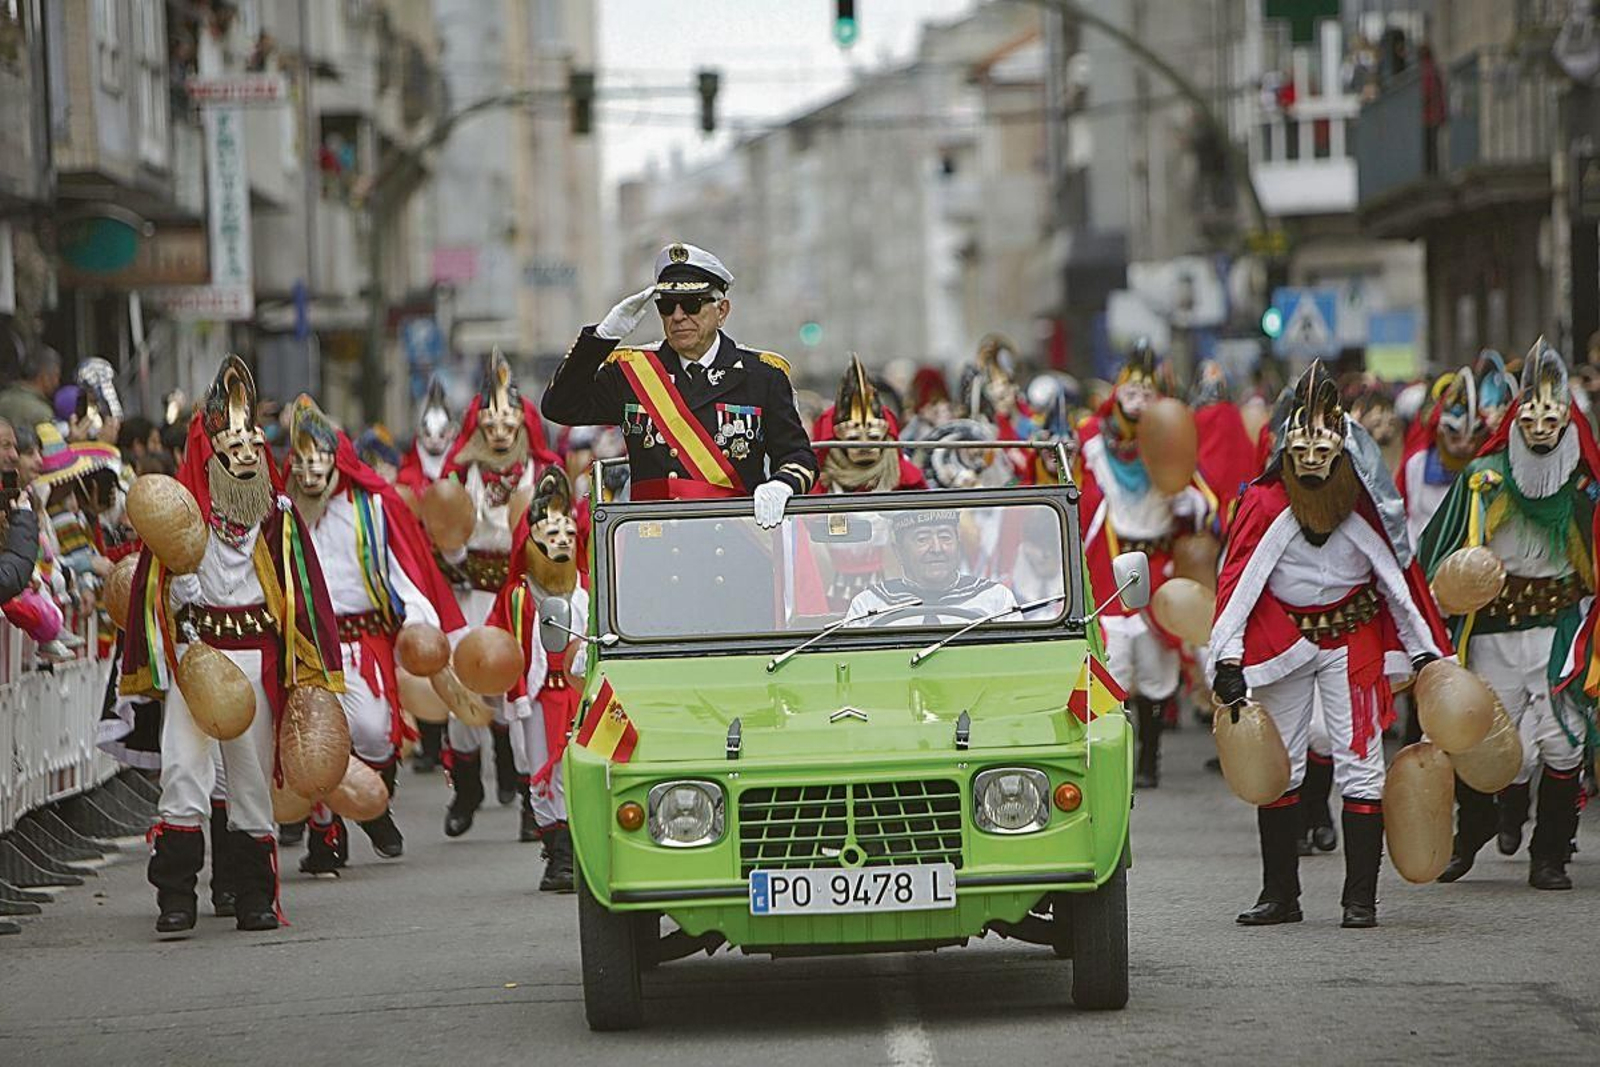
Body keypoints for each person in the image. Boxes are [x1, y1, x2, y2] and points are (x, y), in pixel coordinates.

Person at [1210, 362, 1450, 929]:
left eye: (1324, 444)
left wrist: (1423, 652)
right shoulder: (1264, 505)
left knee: (1361, 766)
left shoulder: (1364, 505)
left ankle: (1360, 900)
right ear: (1286, 446)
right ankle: (1280, 895)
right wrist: (1227, 658)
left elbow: (1398, 581)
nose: (1313, 456)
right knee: (1281, 767)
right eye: (1302, 444)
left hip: (1354, 643)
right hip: (1286, 643)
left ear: (1342, 445)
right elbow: (1237, 583)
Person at [120, 355, 344, 936]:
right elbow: (148, 594)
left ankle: (255, 897)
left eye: (252, 441)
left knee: (248, 784)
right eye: (233, 442)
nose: (246, 451)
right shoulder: (182, 516)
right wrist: (175, 594)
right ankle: (176, 896)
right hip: (196, 658)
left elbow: (306, 597)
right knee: (185, 776)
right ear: (210, 448)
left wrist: (312, 678)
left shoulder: (279, 518)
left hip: (255, 660)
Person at [1424, 340, 1596, 891]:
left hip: (1559, 629)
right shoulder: (1484, 478)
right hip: (1495, 628)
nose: (1542, 423)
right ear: (1516, 414)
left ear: (1568, 416)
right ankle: (1470, 833)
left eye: (1553, 413)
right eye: (1532, 411)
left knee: (1562, 741)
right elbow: (1438, 549)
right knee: (1484, 738)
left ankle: (1549, 856)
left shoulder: (1584, 485)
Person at [283, 396, 467, 873]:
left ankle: (376, 806)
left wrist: (419, 619)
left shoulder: (372, 507)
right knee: (320, 741)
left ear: (337, 458)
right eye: (301, 461)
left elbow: (404, 570)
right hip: (308, 647)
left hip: (365, 642)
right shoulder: (282, 514)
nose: (310, 472)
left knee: (374, 735)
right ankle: (325, 840)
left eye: (319, 459)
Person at [542, 242, 817, 524]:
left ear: (721, 310)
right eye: (666, 306)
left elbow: (797, 455)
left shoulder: (761, 375)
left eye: (692, 304)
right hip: (657, 544)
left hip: (736, 543)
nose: (677, 316)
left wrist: (782, 484)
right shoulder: (634, 372)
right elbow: (560, 407)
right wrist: (601, 338)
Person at [1077, 341, 1217, 788]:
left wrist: (1186, 501)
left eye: (1147, 394)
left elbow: (1205, 503)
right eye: (1130, 392)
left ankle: (1149, 757)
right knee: (1110, 659)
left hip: (1157, 566)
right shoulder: (1092, 444)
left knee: (1157, 668)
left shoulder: (1171, 442)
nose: (1137, 402)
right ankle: (1103, 756)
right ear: (1117, 394)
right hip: (1110, 566)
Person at [436, 351, 559, 837]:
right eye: (492, 423)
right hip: (472, 595)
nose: (502, 432)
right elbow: (436, 527)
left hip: (522, 600)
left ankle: (534, 801)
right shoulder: (459, 475)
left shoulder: (544, 475)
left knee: (524, 697)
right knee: (463, 698)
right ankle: (467, 791)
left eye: (510, 422)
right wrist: (447, 553)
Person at [488, 468, 587, 885]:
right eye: (551, 535)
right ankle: (558, 853)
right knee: (547, 773)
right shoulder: (518, 597)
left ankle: (585, 849)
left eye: (568, 533)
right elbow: (498, 650)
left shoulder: (590, 589)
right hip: (540, 696)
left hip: (584, 697)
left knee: (583, 772)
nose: (561, 540)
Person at [848, 511, 1018, 625]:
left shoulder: (995, 599)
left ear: (958, 544)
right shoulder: (869, 605)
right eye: (922, 539)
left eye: (945, 537)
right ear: (899, 551)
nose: (937, 548)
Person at [0, 346, 60, 434]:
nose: (57, 382)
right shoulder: (42, 413)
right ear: (45, 377)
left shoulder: (2, 398)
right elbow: (54, 447)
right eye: (56, 376)